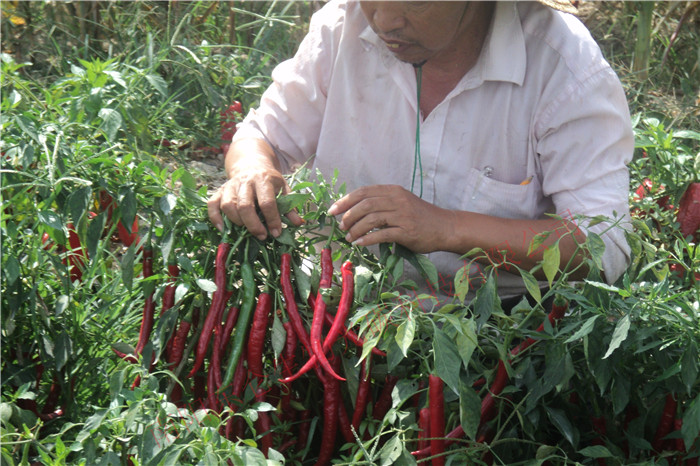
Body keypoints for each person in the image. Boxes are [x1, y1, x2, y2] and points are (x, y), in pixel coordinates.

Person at [207, 1, 634, 301]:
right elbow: (262, 136)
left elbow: (602, 247)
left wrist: (448, 228)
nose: (385, 19)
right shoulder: (343, 26)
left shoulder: (563, 68)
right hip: (334, 309)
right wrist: (251, 172)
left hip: (496, 333)